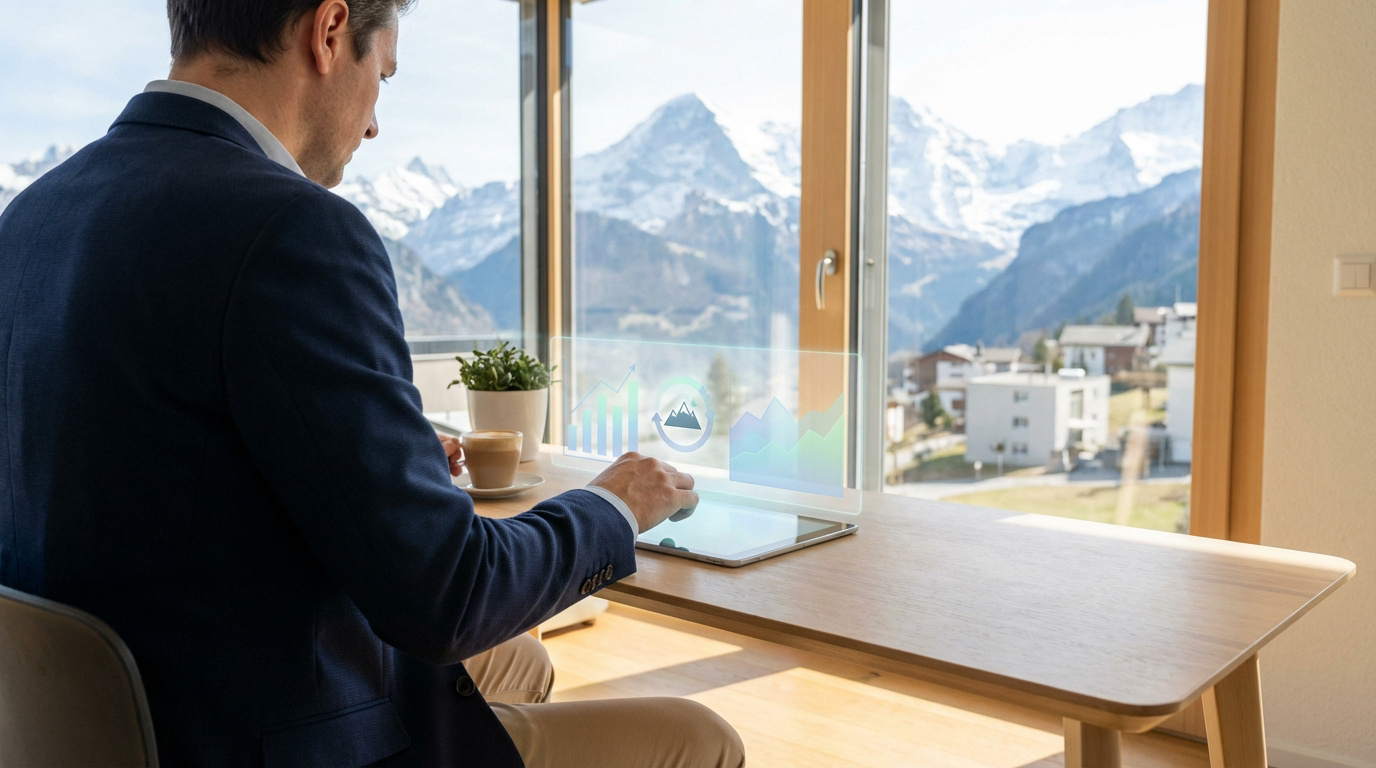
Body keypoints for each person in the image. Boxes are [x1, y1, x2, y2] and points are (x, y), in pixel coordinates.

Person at [0, 1, 745, 765]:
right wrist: (615, 503)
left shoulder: (29, 219)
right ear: (328, 34)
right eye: (381, 74)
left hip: (120, 712)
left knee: (521, 660)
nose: (374, 124)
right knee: (699, 739)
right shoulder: (291, 228)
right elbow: (450, 598)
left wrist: (371, 455)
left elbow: (150, 457)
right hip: (267, 733)